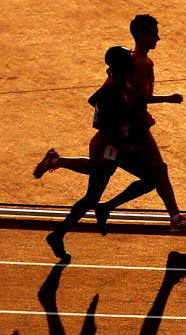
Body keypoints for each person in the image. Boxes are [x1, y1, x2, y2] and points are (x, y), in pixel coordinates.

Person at [35, 47, 161, 261]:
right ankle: (56, 161)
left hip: (118, 144)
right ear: (120, 66)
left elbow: (93, 100)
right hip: (110, 144)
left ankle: (73, 224)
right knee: (106, 177)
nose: (133, 63)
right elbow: (104, 111)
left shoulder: (119, 82)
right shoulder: (113, 89)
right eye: (128, 61)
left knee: (103, 192)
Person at [88, 15, 186, 231]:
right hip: (137, 123)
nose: (157, 38)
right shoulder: (141, 62)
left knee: (149, 170)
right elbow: (139, 97)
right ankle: (175, 218)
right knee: (152, 170)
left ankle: (174, 216)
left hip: (132, 123)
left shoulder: (130, 59)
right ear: (140, 35)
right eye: (153, 33)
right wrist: (168, 98)